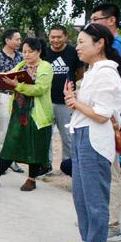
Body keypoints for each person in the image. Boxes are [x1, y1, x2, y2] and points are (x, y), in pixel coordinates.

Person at [64, 23, 121, 242]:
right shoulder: (93, 72)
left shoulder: (106, 73)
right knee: (81, 195)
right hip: (82, 134)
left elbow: (101, 114)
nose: (77, 46)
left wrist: (73, 102)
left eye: (82, 41)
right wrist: (75, 99)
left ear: (99, 43)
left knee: (94, 198)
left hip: (95, 139)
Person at [0, 37, 54, 191]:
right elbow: (9, 79)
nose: (26, 55)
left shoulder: (45, 67)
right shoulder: (22, 65)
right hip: (19, 112)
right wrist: (6, 81)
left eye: (30, 51)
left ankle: (31, 179)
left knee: (34, 146)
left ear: (38, 51)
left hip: (37, 114)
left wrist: (17, 85)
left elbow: (39, 89)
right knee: (10, 143)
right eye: (24, 51)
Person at [91, 2, 121, 242]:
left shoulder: (114, 46)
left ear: (111, 20)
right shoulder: (112, 45)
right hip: (108, 116)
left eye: (97, 18)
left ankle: (112, 224)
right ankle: (102, 219)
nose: (93, 22)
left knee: (111, 169)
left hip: (113, 118)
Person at [43, 25, 84, 173]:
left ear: (65, 37)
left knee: (67, 136)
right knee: (45, 135)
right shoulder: (44, 53)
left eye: (59, 37)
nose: (55, 40)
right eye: (53, 37)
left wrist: (70, 83)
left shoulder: (73, 52)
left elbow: (80, 72)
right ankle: (46, 165)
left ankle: (68, 166)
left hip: (66, 102)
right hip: (46, 101)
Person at [0, 29, 24, 173]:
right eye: (17, 39)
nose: (19, 42)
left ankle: (13, 161)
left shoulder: (21, 57)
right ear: (7, 40)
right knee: (3, 130)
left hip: (19, 96)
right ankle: (1, 162)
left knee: (16, 129)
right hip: (3, 95)